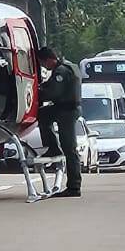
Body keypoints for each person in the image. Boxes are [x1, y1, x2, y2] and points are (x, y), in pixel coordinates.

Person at [35, 46, 84, 198]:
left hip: (66, 111)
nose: (44, 67)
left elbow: (53, 92)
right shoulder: (69, 66)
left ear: (49, 59)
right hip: (64, 108)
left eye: (44, 64)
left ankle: (74, 187)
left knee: (70, 148)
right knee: (43, 116)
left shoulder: (61, 72)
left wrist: (37, 93)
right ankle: (53, 148)